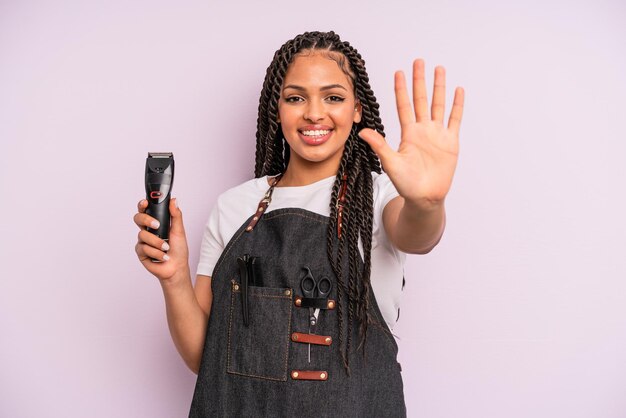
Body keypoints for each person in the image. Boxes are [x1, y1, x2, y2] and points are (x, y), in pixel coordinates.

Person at [134, 31, 464, 417]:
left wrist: (427, 203)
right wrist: (173, 280)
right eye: (295, 97)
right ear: (278, 109)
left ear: (357, 109)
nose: (314, 113)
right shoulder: (234, 206)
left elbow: (418, 234)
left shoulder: (380, 196)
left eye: (334, 97)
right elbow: (202, 358)